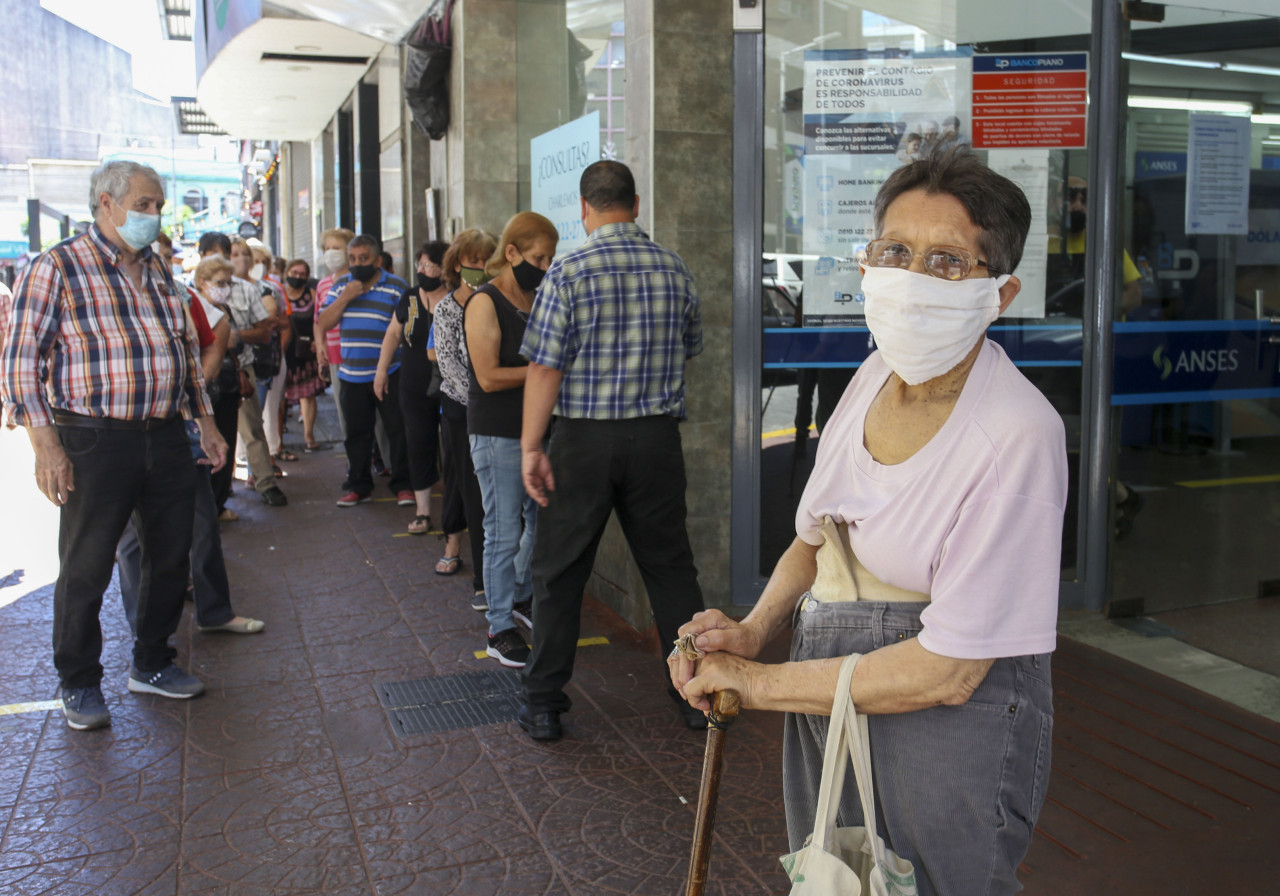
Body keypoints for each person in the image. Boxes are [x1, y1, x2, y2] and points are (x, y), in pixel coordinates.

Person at [668, 150, 1066, 896]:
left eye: (948, 261)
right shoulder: (874, 374)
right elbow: (818, 537)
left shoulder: (1017, 433)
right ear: (866, 261)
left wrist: (755, 682)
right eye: (896, 251)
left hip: (945, 728)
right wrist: (755, 629)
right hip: (835, 696)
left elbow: (949, 671)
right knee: (839, 878)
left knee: (939, 885)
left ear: (1000, 292)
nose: (912, 278)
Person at [0, 160, 230, 730]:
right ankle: (79, 681)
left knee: (169, 556)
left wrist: (205, 421)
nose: (154, 216)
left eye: (157, 206)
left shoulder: (159, 274)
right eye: (145, 204)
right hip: (93, 438)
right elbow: (21, 364)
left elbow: (182, 356)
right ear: (107, 203)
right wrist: (46, 448)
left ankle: (152, 661)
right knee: (87, 564)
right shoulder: (57, 267)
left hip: (164, 436)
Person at [517, 161, 706, 740]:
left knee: (560, 571)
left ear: (584, 207)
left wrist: (531, 447)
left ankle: (545, 703)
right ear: (636, 203)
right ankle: (696, 696)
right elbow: (690, 345)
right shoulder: (673, 268)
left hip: (583, 441)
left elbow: (545, 366)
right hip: (654, 438)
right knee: (670, 569)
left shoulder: (569, 269)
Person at [116, 259, 264, 637]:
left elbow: (215, 333)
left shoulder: (176, 290)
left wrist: (203, 409)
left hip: (179, 423)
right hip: (119, 430)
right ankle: (144, 634)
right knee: (132, 537)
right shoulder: (89, 286)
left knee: (201, 521)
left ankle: (213, 611)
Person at [465, 212, 557, 668]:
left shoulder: (535, 297)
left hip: (535, 431)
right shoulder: (485, 302)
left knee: (536, 524)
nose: (545, 266)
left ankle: (518, 598)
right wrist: (546, 369)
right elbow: (487, 376)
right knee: (502, 532)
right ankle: (499, 625)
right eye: (539, 257)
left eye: (551, 258)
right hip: (497, 432)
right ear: (513, 252)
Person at [316, 233, 413, 507]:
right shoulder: (341, 286)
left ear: (377, 260)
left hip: (390, 372)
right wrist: (345, 297)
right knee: (356, 433)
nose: (357, 264)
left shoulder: (396, 286)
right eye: (352, 259)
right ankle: (359, 485)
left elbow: (407, 326)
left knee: (397, 430)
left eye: (364, 259)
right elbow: (323, 322)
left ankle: (403, 483)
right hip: (352, 375)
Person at [434, 229, 496, 602]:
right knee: (474, 493)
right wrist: (484, 394)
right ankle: (484, 582)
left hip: (497, 406)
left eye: (486, 263)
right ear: (458, 265)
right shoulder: (446, 308)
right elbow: (450, 366)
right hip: (463, 409)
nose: (480, 269)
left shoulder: (495, 300)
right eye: (474, 263)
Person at [375, 241, 449, 534]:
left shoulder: (459, 298)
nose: (422, 271)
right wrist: (381, 372)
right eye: (420, 265)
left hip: (451, 384)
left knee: (454, 448)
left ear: (445, 269)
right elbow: (393, 334)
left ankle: (459, 510)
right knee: (418, 443)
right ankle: (423, 512)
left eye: (428, 266)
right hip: (413, 383)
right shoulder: (408, 297)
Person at [223, 237, 288, 506]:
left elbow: (265, 330)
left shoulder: (251, 289)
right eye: (233, 254)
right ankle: (219, 487)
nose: (241, 259)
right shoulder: (193, 288)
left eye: (244, 254)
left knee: (252, 428)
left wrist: (233, 336)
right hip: (208, 369)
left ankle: (264, 481)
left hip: (243, 367)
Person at [281, 259, 326, 451]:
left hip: (307, 352)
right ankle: (278, 440)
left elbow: (320, 319)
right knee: (280, 397)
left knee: (307, 395)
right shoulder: (278, 293)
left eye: (301, 274)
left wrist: (319, 341)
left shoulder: (312, 294)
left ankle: (309, 437)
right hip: (284, 351)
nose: (297, 277)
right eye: (294, 272)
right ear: (286, 273)